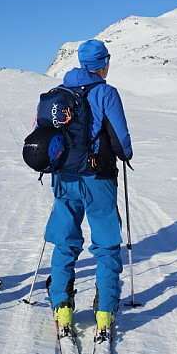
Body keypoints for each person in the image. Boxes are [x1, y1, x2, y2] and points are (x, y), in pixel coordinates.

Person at [46, 39, 133, 336]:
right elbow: (121, 141)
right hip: (99, 179)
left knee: (65, 241)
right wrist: (126, 154)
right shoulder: (106, 92)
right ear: (102, 63)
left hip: (65, 178)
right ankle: (106, 311)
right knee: (106, 246)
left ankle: (62, 306)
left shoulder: (60, 94)